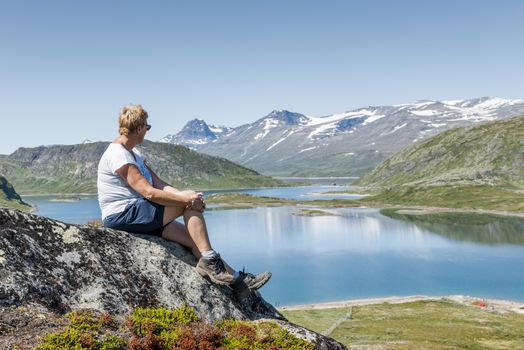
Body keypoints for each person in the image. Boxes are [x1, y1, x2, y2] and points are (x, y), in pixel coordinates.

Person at [97, 104, 271, 291]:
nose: (148, 130)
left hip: (140, 213)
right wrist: (187, 201)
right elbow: (148, 192)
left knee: (195, 238)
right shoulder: (118, 155)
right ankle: (210, 264)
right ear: (139, 129)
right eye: (147, 127)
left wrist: (186, 194)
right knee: (189, 207)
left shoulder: (135, 154)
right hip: (123, 215)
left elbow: (159, 183)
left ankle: (239, 282)